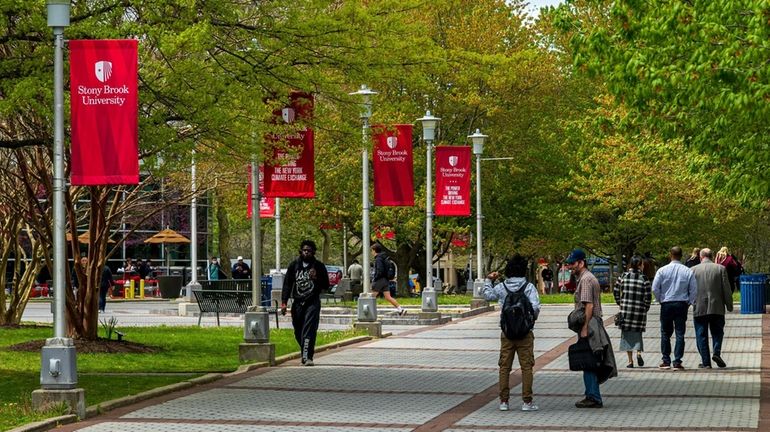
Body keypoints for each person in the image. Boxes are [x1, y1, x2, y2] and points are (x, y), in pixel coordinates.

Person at [481, 254, 541, 412]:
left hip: (507, 333)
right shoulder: (529, 287)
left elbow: (487, 295)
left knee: (504, 367)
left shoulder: (502, 287)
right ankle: (527, 402)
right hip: (525, 334)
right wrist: (529, 321)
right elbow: (535, 308)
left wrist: (488, 280)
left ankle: (504, 401)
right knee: (526, 367)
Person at [566, 248, 616, 408]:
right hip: (593, 323)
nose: (570, 267)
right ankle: (592, 394)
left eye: (573, 263)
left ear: (581, 262)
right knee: (590, 360)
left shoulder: (586, 280)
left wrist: (585, 327)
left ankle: (593, 397)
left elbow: (588, 305)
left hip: (590, 325)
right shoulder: (586, 278)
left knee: (588, 361)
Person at [280, 240, 329, 366]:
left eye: (309, 250)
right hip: (297, 302)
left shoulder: (318, 266)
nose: (306, 252)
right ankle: (305, 351)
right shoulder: (294, 265)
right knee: (298, 331)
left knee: (309, 329)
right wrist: (284, 302)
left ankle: (307, 357)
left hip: (312, 302)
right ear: (301, 251)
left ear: (313, 252)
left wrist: (316, 277)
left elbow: (326, 285)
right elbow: (287, 284)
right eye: (304, 250)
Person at [652, 246, 697, 370]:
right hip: (681, 304)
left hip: (666, 303)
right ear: (681, 255)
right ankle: (677, 361)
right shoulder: (687, 271)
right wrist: (689, 302)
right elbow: (693, 289)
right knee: (680, 333)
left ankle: (666, 360)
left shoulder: (662, 270)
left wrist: (660, 299)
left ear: (670, 255)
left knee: (665, 332)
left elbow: (655, 288)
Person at [691, 248, 733, 368]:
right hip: (717, 307)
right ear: (712, 255)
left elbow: (690, 289)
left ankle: (706, 362)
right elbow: (726, 289)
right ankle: (716, 352)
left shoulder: (693, 270)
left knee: (701, 335)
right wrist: (729, 305)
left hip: (699, 307)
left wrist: (689, 302)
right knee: (718, 332)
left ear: (701, 257)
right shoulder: (720, 269)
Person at [613, 255, 652, 368]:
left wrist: (620, 302)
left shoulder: (623, 276)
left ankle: (630, 361)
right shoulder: (644, 278)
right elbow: (648, 296)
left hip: (626, 311)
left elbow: (616, 291)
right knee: (637, 334)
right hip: (639, 312)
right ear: (639, 265)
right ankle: (639, 353)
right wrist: (645, 307)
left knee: (626, 335)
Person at [371, 243, 406, 316]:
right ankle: (400, 309)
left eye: (372, 250)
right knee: (388, 297)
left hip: (380, 279)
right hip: (386, 280)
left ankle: (368, 312)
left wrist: (375, 278)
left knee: (371, 296)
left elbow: (380, 270)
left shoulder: (378, 259)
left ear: (374, 250)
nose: (371, 252)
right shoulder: (384, 257)